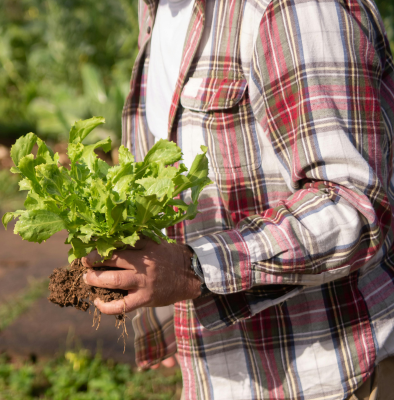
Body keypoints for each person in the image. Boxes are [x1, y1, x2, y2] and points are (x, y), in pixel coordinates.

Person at [81, 0, 394, 398]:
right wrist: (161, 314)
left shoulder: (291, 8)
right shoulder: (157, 9)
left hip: (331, 373)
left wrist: (192, 269)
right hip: (225, 370)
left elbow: (351, 206)